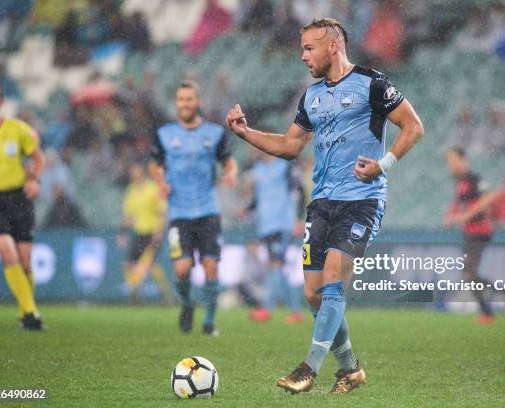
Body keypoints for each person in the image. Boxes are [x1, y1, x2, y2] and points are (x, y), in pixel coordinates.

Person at [226, 18, 424, 394]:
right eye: (302, 48)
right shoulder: (312, 96)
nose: (303, 56)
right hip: (321, 203)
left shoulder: (373, 83)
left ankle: (308, 368)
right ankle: (350, 369)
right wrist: (245, 132)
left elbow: (413, 126)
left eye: (309, 48)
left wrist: (384, 165)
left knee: (334, 280)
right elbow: (289, 146)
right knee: (313, 293)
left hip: (362, 201)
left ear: (333, 46)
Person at [149, 80, 238, 336]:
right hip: (178, 212)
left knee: (211, 265)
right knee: (182, 268)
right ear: (176, 103)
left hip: (208, 209)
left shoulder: (214, 133)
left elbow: (228, 161)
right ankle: (187, 304)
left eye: (189, 99)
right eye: (180, 100)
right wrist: (160, 181)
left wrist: (231, 173)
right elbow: (154, 164)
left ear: (197, 102)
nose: (185, 104)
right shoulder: (165, 134)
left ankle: (209, 321)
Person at [0, 79, 46, 330]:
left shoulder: (18, 129)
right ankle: (31, 314)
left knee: (25, 261)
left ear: (1, 100)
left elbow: (38, 158)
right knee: (7, 252)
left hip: (18, 198)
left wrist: (34, 179)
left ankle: (24, 312)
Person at [244, 152, 305, 324]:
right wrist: (248, 209)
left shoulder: (286, 165)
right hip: (265, 224)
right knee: (276, 267)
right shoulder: (257, 169)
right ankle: (295, 311)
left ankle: (265, 309)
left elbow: (300, 190)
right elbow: (258, 196)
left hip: (282, 223)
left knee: (275, 265)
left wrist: (299, 218)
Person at [444, 147, 497, 324]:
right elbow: (460, 202)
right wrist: (452, 215)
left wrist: (465, 216)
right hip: (471, 232)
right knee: (469, 273)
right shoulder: (460, 182)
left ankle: (488, 313)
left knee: (467, 274)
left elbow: (489, 196)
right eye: (448, 162)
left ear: (463, 160)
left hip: (480, 231)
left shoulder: (473, 177)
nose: (450, 165)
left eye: (453, 160)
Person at [118, 163, 172, 304]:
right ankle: (135, 292)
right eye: (133, 174)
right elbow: (129, 215)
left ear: (142, 173)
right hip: (139, 233)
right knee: (129, 264)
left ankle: (166, 295)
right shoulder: (131, 191)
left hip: (152, 233)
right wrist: (123, 233)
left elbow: (162, 212)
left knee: (147, 265)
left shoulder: (152, 189)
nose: (135, 176)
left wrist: (159, 231)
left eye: (137, 173)